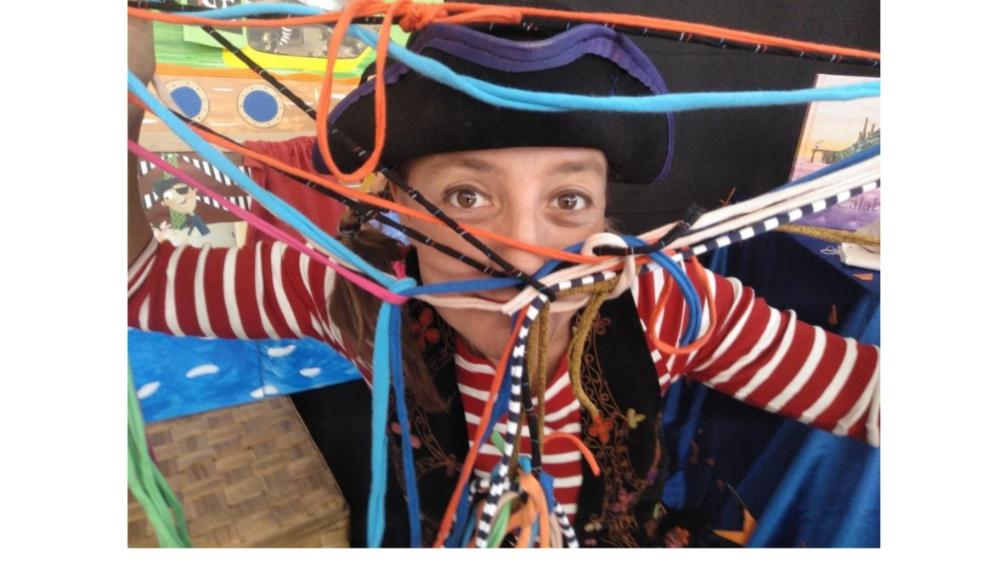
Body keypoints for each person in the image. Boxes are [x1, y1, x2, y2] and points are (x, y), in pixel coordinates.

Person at [128, 14, 879, 548]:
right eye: (466, 197)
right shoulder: (357, 292)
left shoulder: (667, 302)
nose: (522, 260)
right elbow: (139, 283)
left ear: (606, 211)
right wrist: (119, 99)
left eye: (568, 200)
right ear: (400, 208)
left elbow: (868, 396)